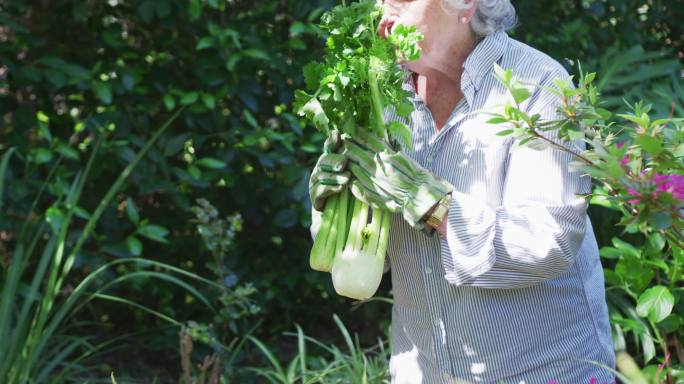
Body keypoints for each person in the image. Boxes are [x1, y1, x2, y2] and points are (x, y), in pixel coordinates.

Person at [308, 0, 616, 382]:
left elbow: (547, 242)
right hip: (422, 370)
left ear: (465, 4)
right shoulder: (378, 89)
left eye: (400, 1)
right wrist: (334, 206)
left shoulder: (537, 85)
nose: (383, 13)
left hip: (541, 369)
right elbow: (374, 257)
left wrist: (435, 206)